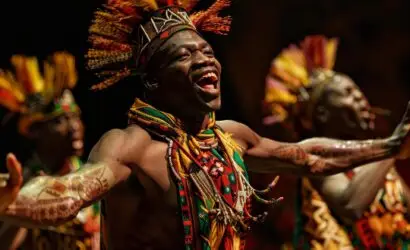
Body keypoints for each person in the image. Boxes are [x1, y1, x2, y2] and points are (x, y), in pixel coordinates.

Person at [1, 1, 410, 249]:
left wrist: (389, 145)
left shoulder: (230, 137)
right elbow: (71, 191)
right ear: (155, 82)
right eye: (184, 55)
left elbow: (307, 156)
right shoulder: (131, 146)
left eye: (206, 49)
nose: (204, 59)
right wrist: (13, 201)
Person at [263, 35, 410, 249]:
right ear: (323, 113)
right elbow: (350, 206)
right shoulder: (318, 161)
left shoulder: (380, 158)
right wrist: (393, 147)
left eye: (358, 91)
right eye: (349, 93)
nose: (361, 98)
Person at [0, 53, 100, 249]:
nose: (74, 127)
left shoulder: (92, 175)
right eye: (60, 120)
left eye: (75, 116)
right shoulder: (20, 184)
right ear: (35, 131)